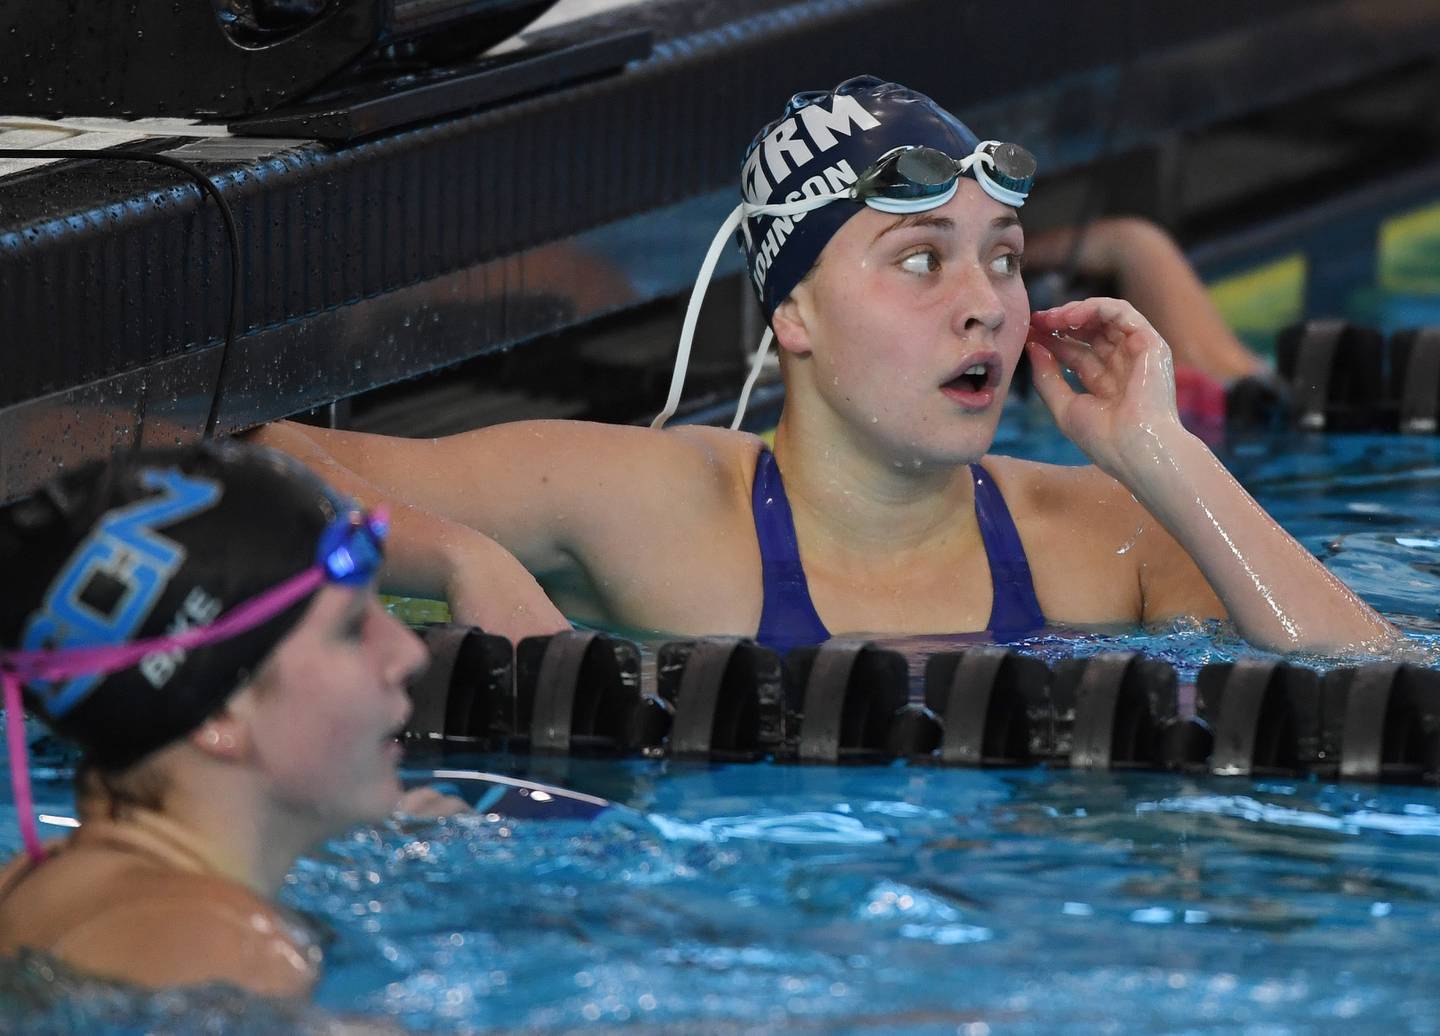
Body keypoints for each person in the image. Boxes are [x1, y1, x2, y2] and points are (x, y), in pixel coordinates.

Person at [253, 75, 1399, 656]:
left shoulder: (1101, 531)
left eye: (1003, 259)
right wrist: (458, 555)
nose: (986, 306)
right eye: (921, 260)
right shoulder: (646, 503)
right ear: (793, 313)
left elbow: (1369, 684)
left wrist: (1165, 454)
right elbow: (248, 455)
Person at [0, 440, 437, 996]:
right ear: (222, 713)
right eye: (351, 629)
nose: (409, 653)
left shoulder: (34, 885)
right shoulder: (234, 954)